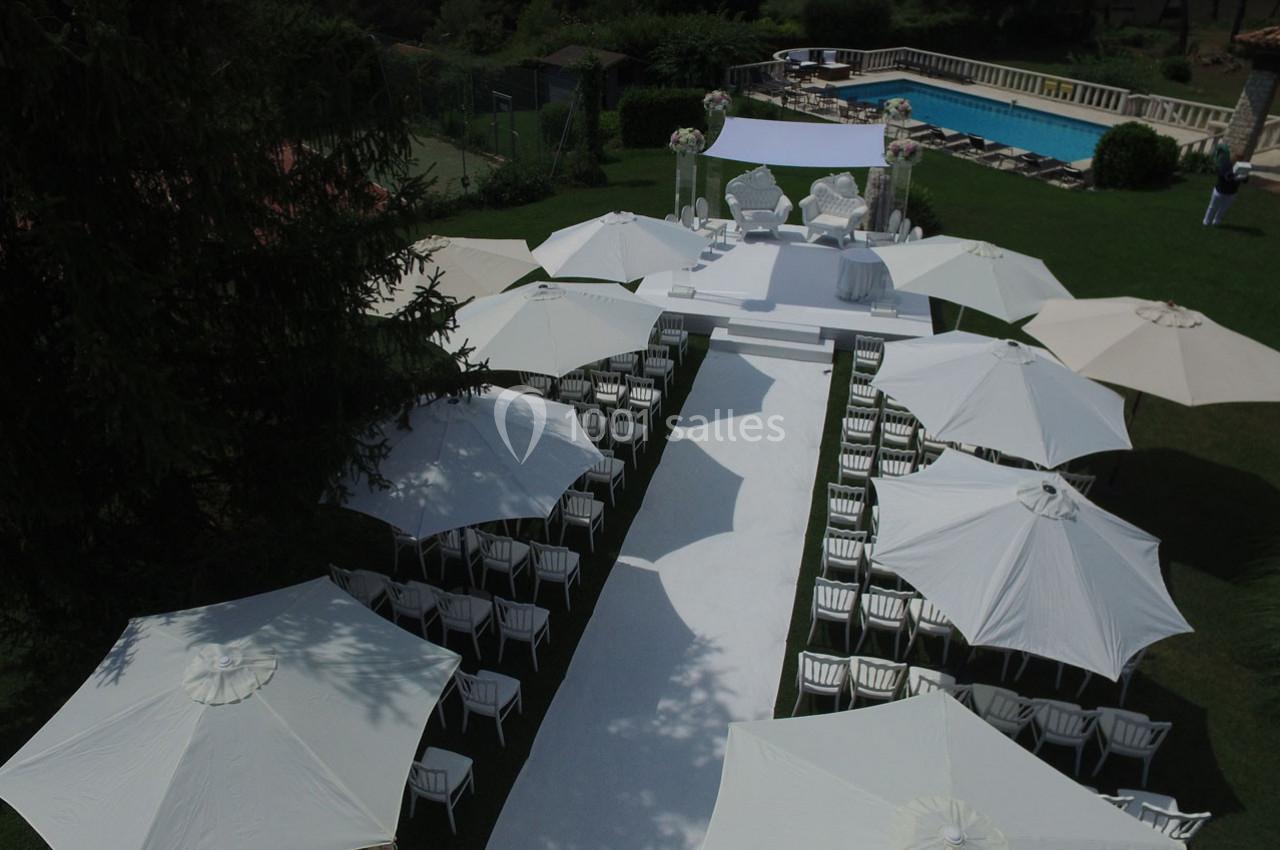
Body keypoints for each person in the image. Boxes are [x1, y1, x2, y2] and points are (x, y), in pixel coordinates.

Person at [1203, 143, 1248, 226]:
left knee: (1223, 208)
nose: (1239, 159)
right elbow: (1223, 176)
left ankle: (1216, 220)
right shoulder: (1226, 164)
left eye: (1241, 158)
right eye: (1238, 157)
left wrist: (1244, 177)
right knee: (1212, 207)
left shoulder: (1243, 167)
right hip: (1220, 190)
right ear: (1234, 156)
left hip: (1232, 192)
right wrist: (1234, 177)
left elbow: (1245, 180)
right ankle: (1206, 220)